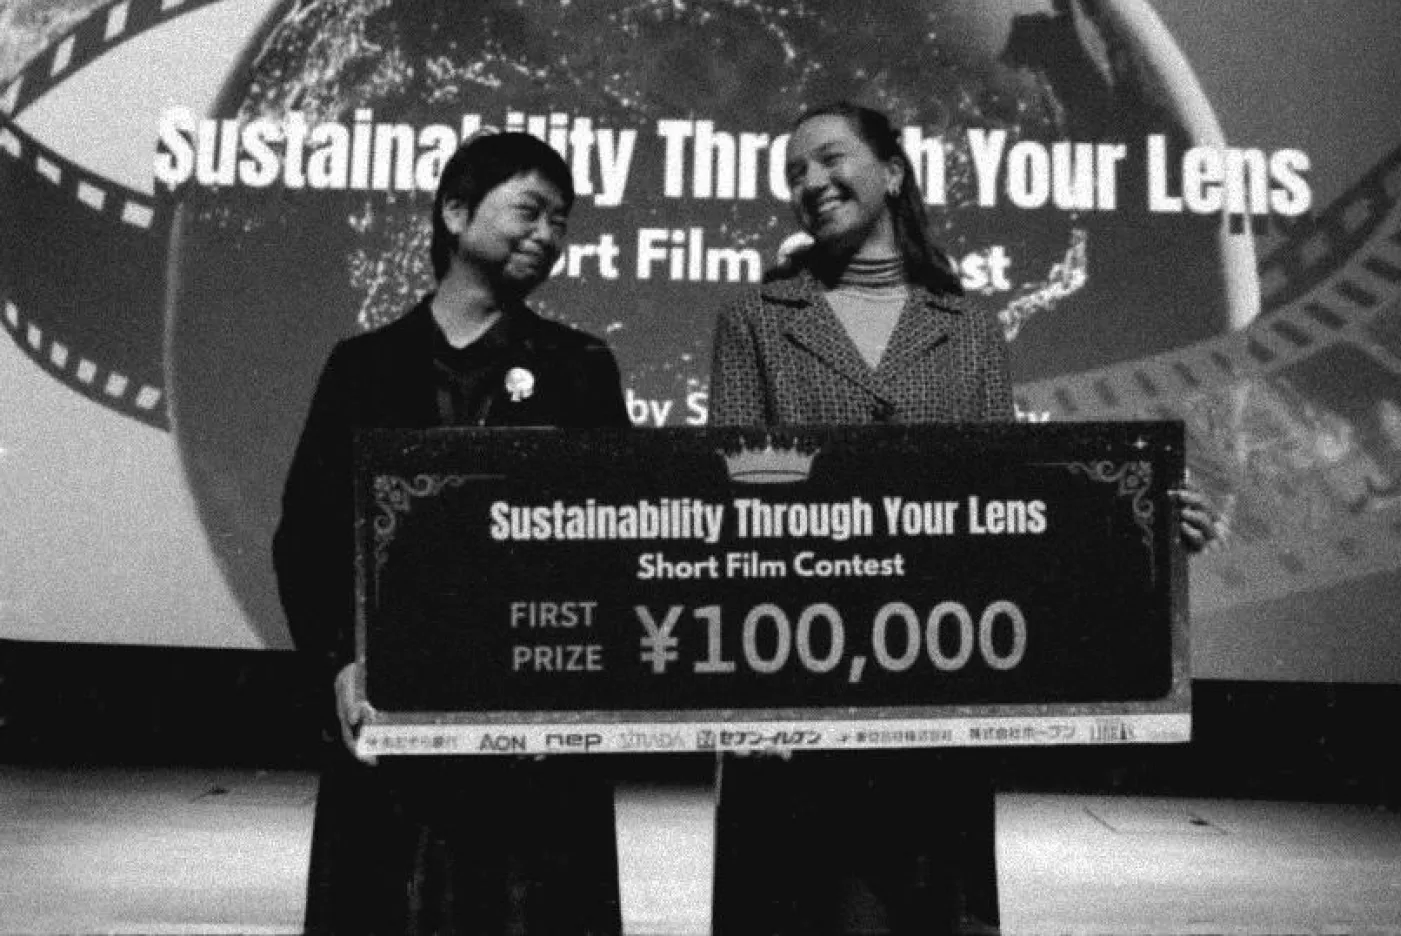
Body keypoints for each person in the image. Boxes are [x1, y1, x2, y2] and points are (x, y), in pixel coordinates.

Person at [707, 100, 1217, 935]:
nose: (809, 182)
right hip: (797, 679)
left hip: (933, 684)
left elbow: (1004, 517)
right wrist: (743, 700)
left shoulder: (972, 328)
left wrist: (1148, 532)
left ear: (894, 174)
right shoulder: (756, 319)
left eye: (828, 159)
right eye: (793, 172)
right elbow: (731, 510)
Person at [273, 130, 629, 936]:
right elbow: (307, 538)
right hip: (394, 721)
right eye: (531, 211)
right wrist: (339, 663)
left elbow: (616, 546)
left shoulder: (580, 369)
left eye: (562, 222)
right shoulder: (362, 366)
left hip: (536, 730)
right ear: (457, 211)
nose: (549, 236)